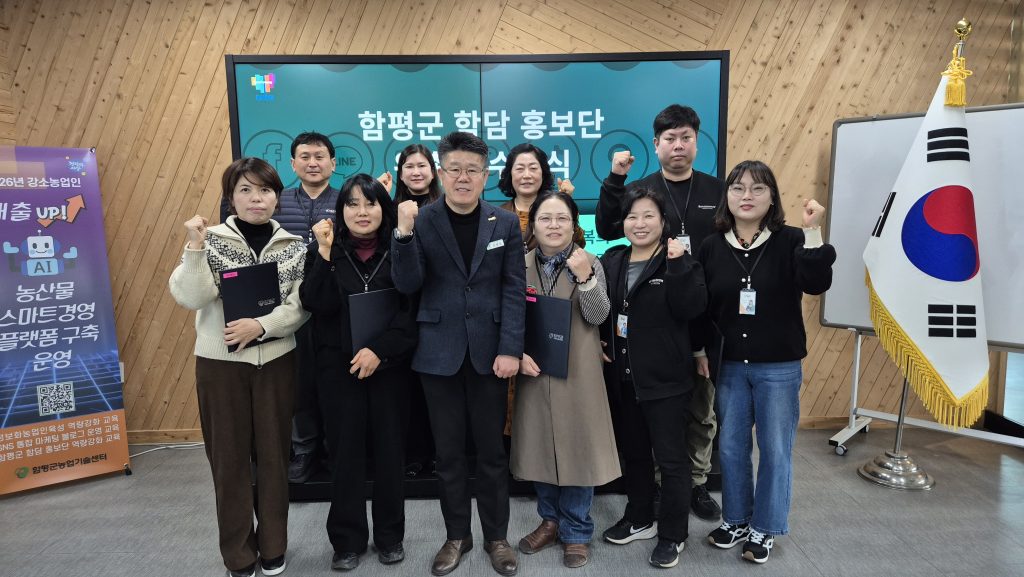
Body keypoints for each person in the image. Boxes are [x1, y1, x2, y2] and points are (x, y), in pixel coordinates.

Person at [391, 131, 526, 577]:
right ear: (440, 173)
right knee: (448, 455)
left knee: (491, 454)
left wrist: (511, 348)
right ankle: (456, 536)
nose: (463, 177)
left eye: (472, 170)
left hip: (491, 355)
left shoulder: (504, 222)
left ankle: (497, 538)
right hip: (438, 353)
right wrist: (403, 234)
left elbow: (513, 289)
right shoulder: (423, 220)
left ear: (485, 175)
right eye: (454, 169)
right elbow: (408, 284)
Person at [169, 157, 308, 577]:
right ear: (231, 197)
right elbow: (191, 297)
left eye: (265, 190)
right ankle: (238, 555)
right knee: (228, 462)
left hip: (276, 362)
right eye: (245, 190)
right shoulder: (208, 240)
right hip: (221, 365)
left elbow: (301, 305)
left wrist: (262, 326)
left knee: (274, 458)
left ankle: (273, 547)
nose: (256, 199)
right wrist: (194, 248)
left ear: (277, 197)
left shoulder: (294, 246)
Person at [595, 104, 724, 522]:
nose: (678, 145)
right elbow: (607, 228)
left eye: (686, 137)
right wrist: (616, 179)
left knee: (701, 412)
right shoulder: (642, 189)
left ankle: (696, 484)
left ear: (697, 142)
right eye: (670, 138)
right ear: (656, 144)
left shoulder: (717, 190)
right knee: (653, 418)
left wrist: (702, 343)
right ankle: (652, 490)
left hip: (705, 315)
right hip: (655, 322)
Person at [700, 160, 834, 564]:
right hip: (729, 366)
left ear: (772, 197)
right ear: (726, 196)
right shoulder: (712, 245)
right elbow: (703, 307)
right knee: (731, 448)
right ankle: (737, 520)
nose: (747, 196)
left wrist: (813, 230)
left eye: (758, 188)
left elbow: (816, 283)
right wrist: (700, 352)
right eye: (738, 188)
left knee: (775, 449)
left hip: (778, 366)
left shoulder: (792, 239)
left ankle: (766, 526)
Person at [299, 174, 416, 571]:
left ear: (384, 208)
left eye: (370, 203)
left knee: (390, 454)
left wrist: (379, 351)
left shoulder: (401, 249)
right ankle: (347, 541)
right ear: (341, 210)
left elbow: (411, 314)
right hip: (339, 370)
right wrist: (324, 253)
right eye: (352, 204)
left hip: (389, 368)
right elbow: (314, 303)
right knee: (344, 455)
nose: (362, 212)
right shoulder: (326, 250)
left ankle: (390, 537)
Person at [599, 187, 707, 569]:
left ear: (663, 222)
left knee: (672, 461)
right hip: (624, 378)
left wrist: (677, 267)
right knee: (635, 454)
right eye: (632, 216)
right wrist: (601, 341)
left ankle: (673, 534)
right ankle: (640, 517)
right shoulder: (613, 259)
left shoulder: (679, 261)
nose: (639, 223)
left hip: (666, 382)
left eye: (648, 216)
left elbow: (691, 308)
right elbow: (602, 309)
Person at [510, 190, 619, 569]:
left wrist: (585, 278)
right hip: (534, 369)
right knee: (538, 444)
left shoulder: (590, 262)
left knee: (578, 447)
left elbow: (598, 316)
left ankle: (576, 530)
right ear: (533, 225)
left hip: (580, 371)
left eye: (562, 219)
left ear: (574, 225)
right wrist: (516, 353)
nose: (553, 225)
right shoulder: (519, 264)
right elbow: (509, 316)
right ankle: (550, 521)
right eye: (545, 218)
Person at [276, 131, 341, 484]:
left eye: (319, 157)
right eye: (305, 157)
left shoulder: (347, 200)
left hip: (333, 305)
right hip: (289, 307)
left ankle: (335, 449)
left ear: (333, 162)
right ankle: (303, 450)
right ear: (293, 163)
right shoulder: (277, 201)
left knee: (334, 380)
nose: (312, 163)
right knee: (298, 383)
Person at [497, 143, 585, 250]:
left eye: (533, 168)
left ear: (543, 173)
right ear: (510, 174)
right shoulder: (498, 215)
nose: (527, 175)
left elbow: (578, 245)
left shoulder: (556, 208)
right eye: (520, 169)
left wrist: (567, 205)